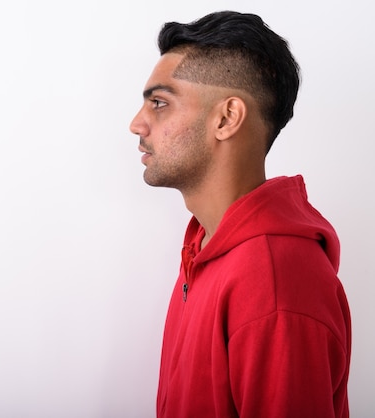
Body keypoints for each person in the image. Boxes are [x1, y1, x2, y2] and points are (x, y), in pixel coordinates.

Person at [129, 11, 351, 418]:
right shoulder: (204, 246)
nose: (137, 124)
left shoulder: (274, 282)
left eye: (159, 103)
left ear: (227, 118)